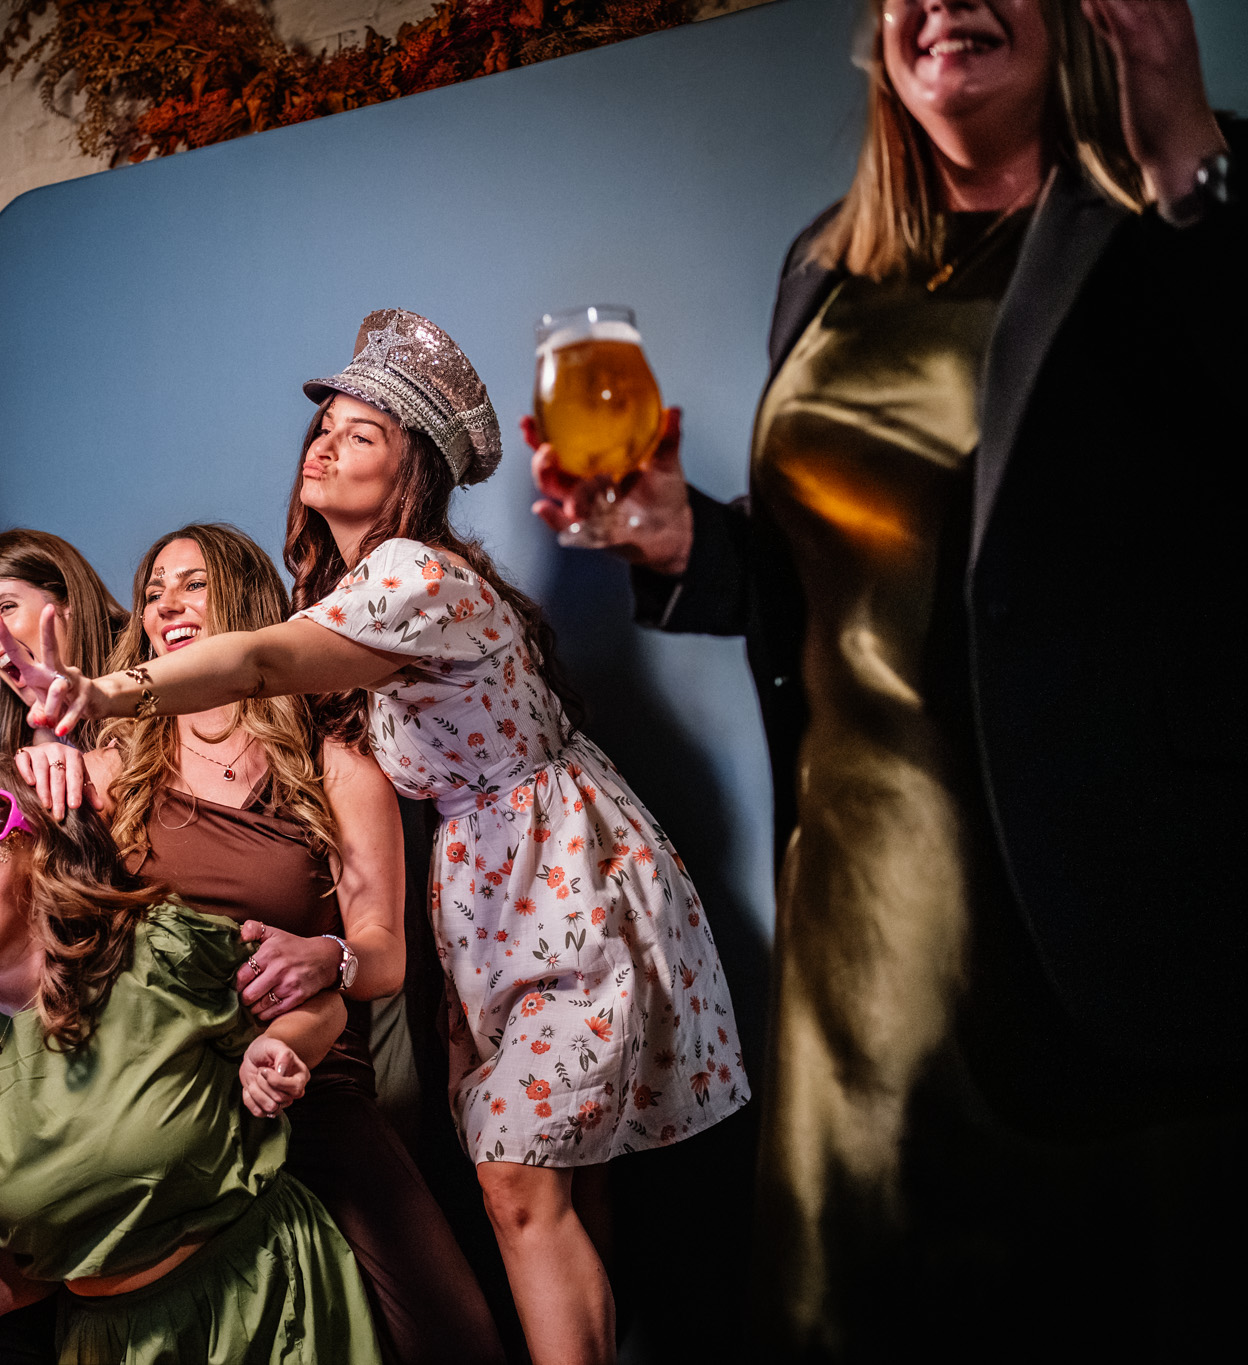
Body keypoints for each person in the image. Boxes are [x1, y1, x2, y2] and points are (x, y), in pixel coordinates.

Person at [529, 1, 1242, 1356]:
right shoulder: (828, 264)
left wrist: (1185, 158)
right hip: (868, 908)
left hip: (1110, 905)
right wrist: (681, 537)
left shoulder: (1192, 194)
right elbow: (827, 585)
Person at [0, 310, 747, 1365]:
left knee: (517, 1182)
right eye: (323, 426)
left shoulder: (414, 577)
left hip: (567, 885)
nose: (325, 444)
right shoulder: (348, 597)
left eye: (361, 434)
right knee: (554, 1186)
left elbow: (253, 664)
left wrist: (106, 691)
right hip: (490, 900)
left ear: (416, 469)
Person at [10, 522, 506, 1365]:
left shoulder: (333, 759)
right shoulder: (113, 762)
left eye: (192, 583)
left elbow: (384, 951)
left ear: (244, 601)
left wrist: (330, 957)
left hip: (307, 1080)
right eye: (153, 589)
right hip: (161, 1088)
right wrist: (35, 766)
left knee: (451, 1331)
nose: (167, 603)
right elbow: (15, 860)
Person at [0, 756, 382, 1365]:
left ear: (42, 849)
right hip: (109, 1342)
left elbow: (324, 1003)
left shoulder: (154, 949)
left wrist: (279, 1045)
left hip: (261, 1301)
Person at [0, 528, 129, 758]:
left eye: (6, 607)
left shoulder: (153, 676)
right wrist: (44, 739)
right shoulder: (24, 740)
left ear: (68, 603)